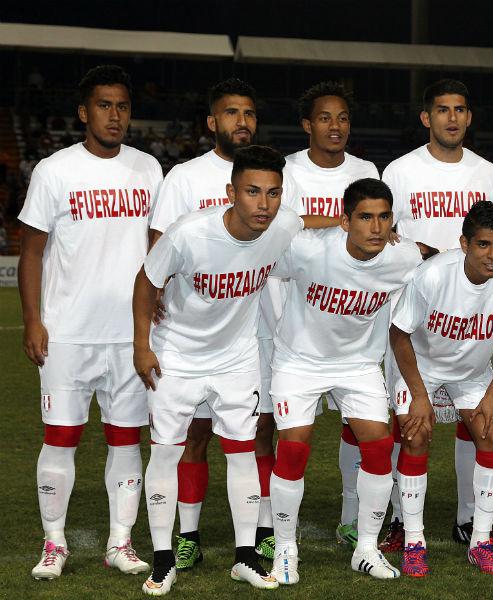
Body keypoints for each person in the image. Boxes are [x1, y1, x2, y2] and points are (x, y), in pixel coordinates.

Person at [132, 145, 302, 595]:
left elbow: (315, 227)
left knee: (242, 450)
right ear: (231, 192)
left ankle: (245, 556)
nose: (264, 204)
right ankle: (162, 559)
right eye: (252, 192)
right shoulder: (190, 233)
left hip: (236, 357)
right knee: (167, 452)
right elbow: (146, 280)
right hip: (178, 357)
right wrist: (141, 345)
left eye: (273, 193)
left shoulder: (282, 226)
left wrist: (357, 225)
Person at [19, 65, 162, 580]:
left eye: (122, 105)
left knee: (126, 438)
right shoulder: (55, 171)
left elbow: (156, 243)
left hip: (130, 334)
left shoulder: (148, 169)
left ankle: (120, 543)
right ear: (84, 112)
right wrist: (34, 320)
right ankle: (53, 543)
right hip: (69, 331)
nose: (115, 115)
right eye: (104, 105)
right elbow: (32, 251)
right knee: (60, 436)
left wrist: (158, 292)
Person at [267, 178, 422, 585]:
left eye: (384, 217)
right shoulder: (308, 249)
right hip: (299, 361)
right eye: (365, 217)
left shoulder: (402, 256)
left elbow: (437, 261)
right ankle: (285, 549)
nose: (376, 228)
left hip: (358, 364)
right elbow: (264, 240)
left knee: (378, 446)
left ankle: (366, 548)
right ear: (344, 220)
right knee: (294, 449)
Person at [381, 79, 493, 550]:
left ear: (469, 117)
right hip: (413, 315)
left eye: (459, 109)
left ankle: (468, 517)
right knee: (408, 422)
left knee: (476, 422)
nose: (451, 118)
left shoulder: (488, 175)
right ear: (425, 118)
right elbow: (385, 236)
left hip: (472, 319)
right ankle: (399, 518)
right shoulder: (400, 170)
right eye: (441, 110)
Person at [148, 77, 265, 571]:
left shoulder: (266, 173)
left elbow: (294, 227)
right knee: (192, 436)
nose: (243, 122)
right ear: (212, 122)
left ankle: (256, 536)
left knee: (255, 436)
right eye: (232, 113)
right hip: (186, 335)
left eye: (250, 113)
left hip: (245, 330)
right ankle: (188, 534)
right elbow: (157, 247)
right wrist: (152, 296)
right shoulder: (185, 178)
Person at [389, 201, 493, 576]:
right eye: (484, 245)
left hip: (472, 374)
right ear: (464, 244)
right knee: (416, 434)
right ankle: (413, 541)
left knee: (492, 434)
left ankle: (481, 542)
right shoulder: (434, 275)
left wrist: (492, 395)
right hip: (420, 369)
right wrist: (420, 396)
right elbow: (399, 333)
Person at [283, 81, 380, 550]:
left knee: (357, 426)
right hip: (292, 313)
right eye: (325, 117)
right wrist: (344, 225)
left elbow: (377, 226)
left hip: (352, 319)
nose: (335, 126)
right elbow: (279, 227)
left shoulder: (365, 169)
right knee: (282, 430)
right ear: (307, 125)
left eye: (342, 117)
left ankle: (350, 514)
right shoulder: (289, 172)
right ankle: (273, 528)